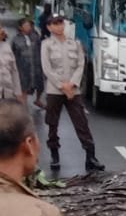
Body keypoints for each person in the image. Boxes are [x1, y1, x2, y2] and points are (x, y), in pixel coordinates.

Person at [40, 14, 104, 176]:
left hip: (73, 90)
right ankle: (55, 154)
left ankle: (91, 157)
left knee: (81, 122)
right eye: (55, 23)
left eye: (61, 22)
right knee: (52, 123)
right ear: (49, 27)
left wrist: (72, 84)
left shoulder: (74, 44)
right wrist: (62, 86)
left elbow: (80, 64)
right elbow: (47, 68)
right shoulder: (46, 45)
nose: (59, 26)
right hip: (55, 90)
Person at [11, 17, 43, 102]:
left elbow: (40, 49)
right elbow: (13, 54)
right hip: (23, 69)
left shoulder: (35, 37)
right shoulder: (16, 39)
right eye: (26, 25)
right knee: (23, 89)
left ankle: (38, 100)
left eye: (29, 25)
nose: (28, 27)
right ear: (20, 27)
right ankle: (24, 110)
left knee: (40, 85)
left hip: (36, 67)